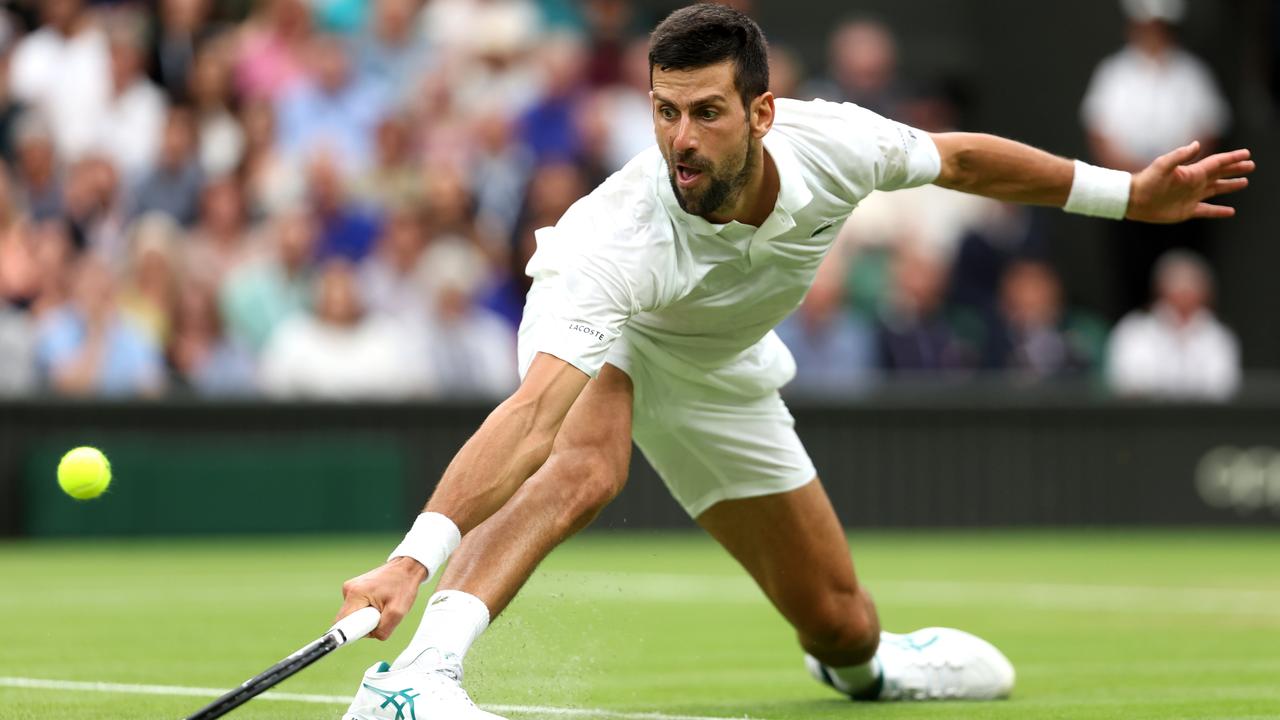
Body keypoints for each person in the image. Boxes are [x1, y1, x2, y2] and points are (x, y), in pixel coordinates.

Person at [333, 6, 1255, 718]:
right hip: (617, 338)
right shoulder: (611, 239)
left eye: (704, 112)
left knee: (844, 628)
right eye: (663, 112)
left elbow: (963, 161)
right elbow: (534, 416)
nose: (680, 140)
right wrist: (412, 562)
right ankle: (413, 680)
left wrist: (1127, 196)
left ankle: (876, 665)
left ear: (763, 112)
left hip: (720, 369)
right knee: (588, 460)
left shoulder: (834, 146)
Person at [1107, 250, 1240, 400]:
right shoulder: (1134, 330)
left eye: (1191, 287)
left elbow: (1223, 388)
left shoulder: (1219, 335)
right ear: (1160, 289)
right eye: (1178, 288)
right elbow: (1128, 383)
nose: (1185, 295)